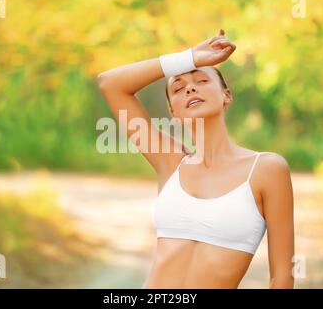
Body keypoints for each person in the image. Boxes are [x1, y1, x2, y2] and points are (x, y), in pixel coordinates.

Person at [97, 29, 294, 288]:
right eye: (178, 87)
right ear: (172, 111)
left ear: (227, 95)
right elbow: (110, 83)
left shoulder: (267, 169)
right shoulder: (170, 162)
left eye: (201, 81)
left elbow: (282, 277)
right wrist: (189, 58)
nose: (190, 87)